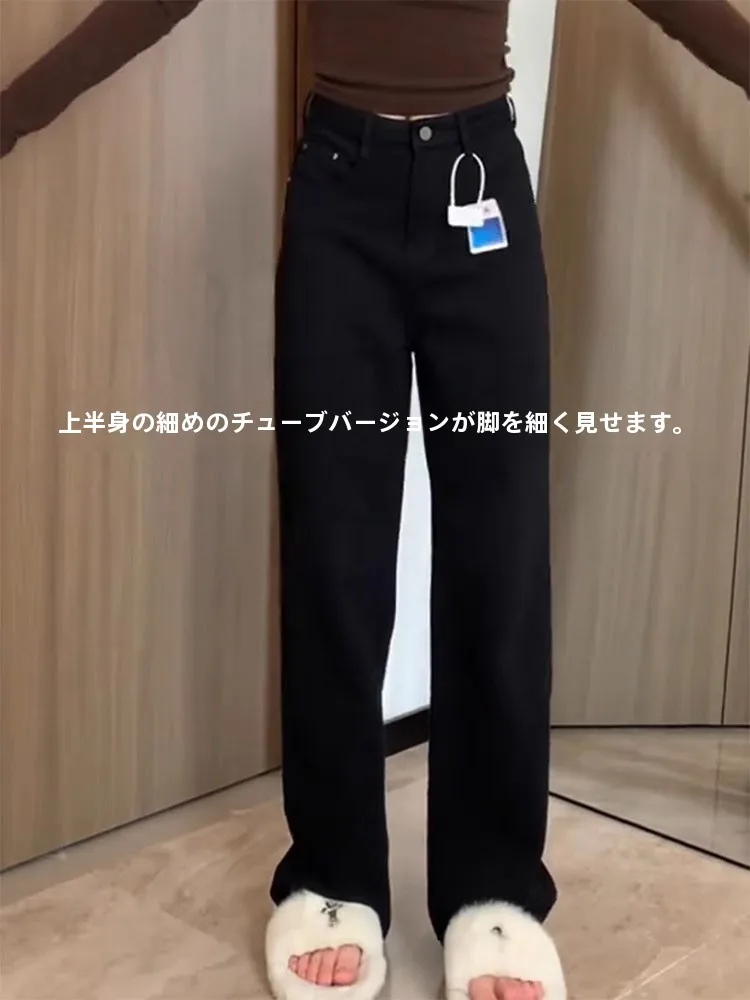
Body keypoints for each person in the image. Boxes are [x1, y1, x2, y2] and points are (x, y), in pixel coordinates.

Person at [2, 2, 748, 998]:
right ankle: (334, 879)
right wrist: (11, 113)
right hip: (338, 195)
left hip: (481, 189)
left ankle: (494, 890)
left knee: (500, 558)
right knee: (334, 551)